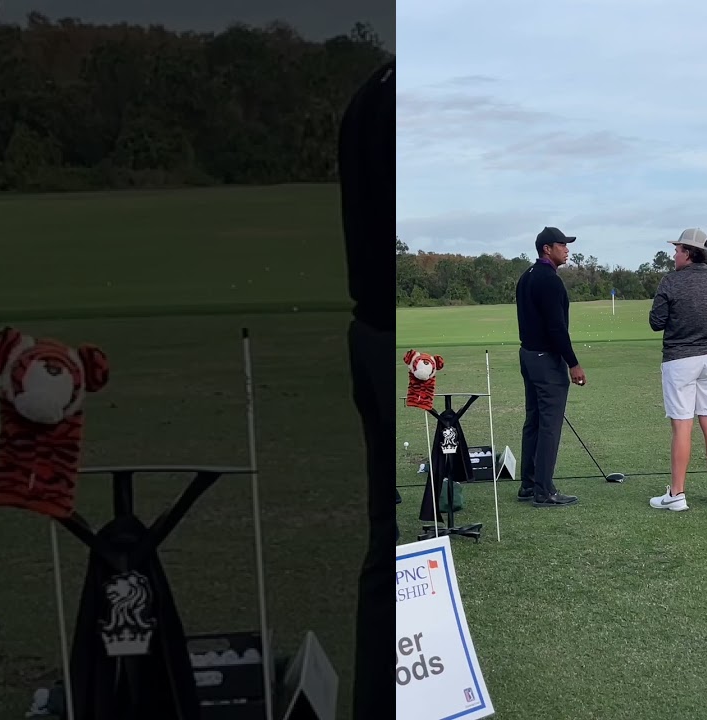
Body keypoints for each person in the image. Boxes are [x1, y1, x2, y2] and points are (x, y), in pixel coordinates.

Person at [337, 58, 393, 720]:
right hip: (400, 348)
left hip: (372, 332)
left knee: (388, 534)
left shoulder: (369, 90)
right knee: (408, 525)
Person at [647, 228, 707, 512]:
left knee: (682, 426)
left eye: (677, 250)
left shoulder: (670, 281)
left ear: (688, 253)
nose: (674, 255)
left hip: (680, 361)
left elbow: (655, 322)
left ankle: (677, 494)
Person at [514, 226, 584, 508]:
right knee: (549, 426)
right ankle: (544, 490)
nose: (567, 249)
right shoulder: (549, 280)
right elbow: (556, 328)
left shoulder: (527, 276)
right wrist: (573, 363)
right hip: (546, 360)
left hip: (528, 356)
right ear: (547, 248)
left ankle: (529, 484)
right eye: (562, 244)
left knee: (533, 421)